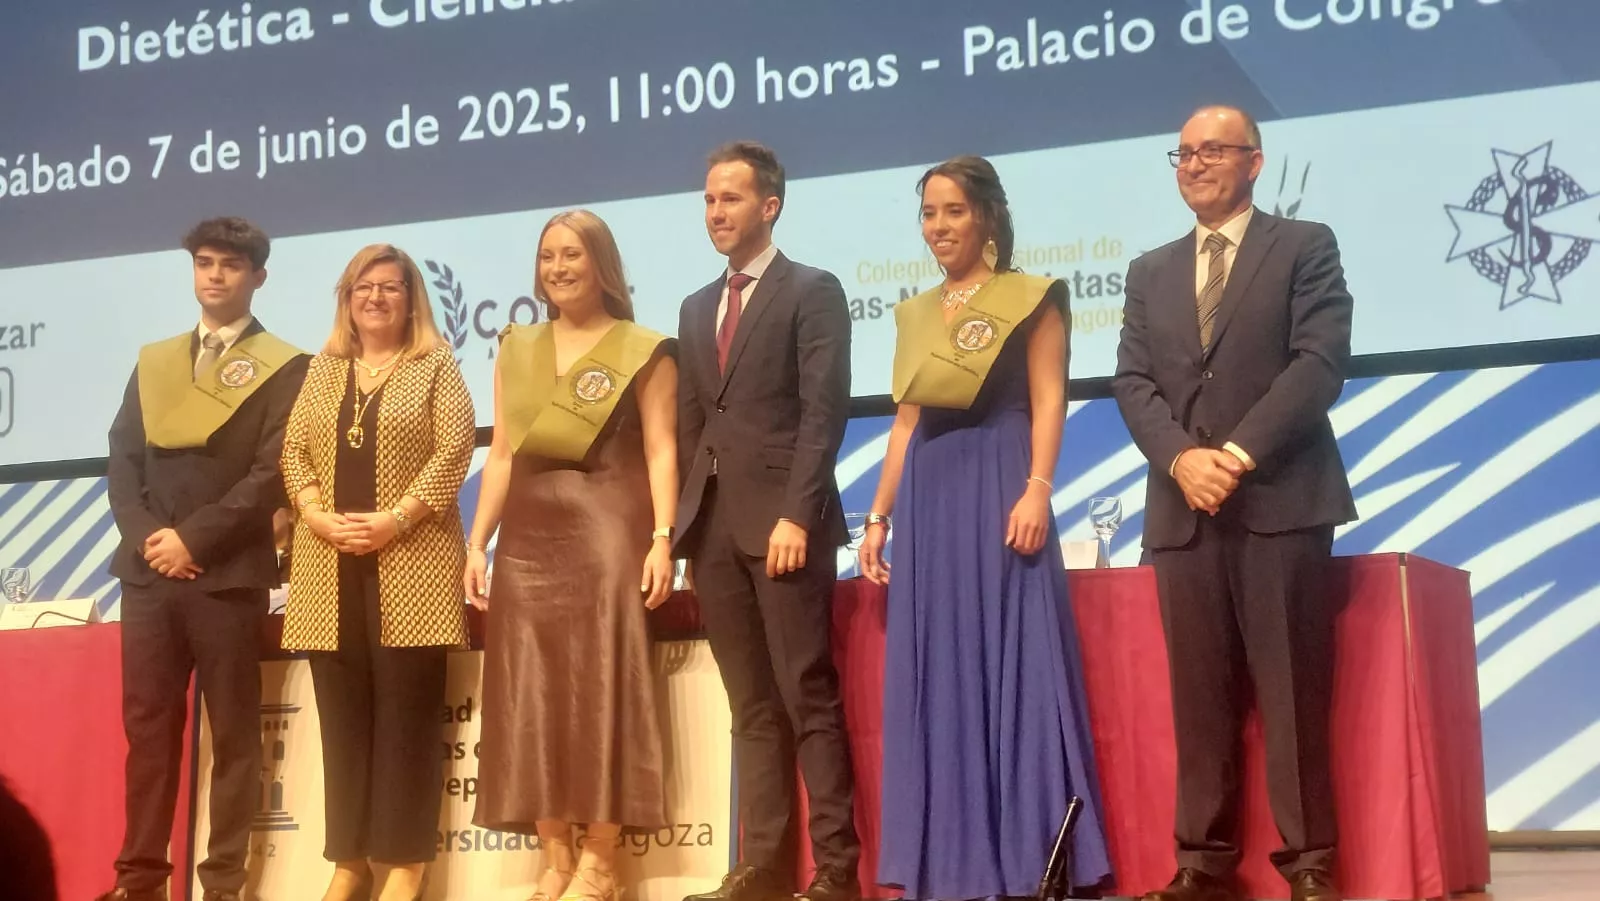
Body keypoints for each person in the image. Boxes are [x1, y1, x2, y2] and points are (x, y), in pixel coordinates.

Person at [1111, 106, 1356, 901]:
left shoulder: (1304, 245)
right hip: (1183, 507)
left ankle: (1311, 861)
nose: (1194, 163)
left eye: (1212, 150)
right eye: (1181, 152)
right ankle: (1202, 864)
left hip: (1280, 498)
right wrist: (1183, 458)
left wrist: (1237, 455)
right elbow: (1133, 382)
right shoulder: (1150, 270)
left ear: (1255, 161)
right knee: (1200, 697)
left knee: (1290, 691)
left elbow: (1318, 365)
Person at [856, 155, 1112, 900]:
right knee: (942, 669)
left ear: (988, 217)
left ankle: (1030, 851)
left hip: (1002, 479)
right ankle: (951, 857)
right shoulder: (914, 314)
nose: (939, 227)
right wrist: (877, 515)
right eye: (929, 214)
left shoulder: (1030, 299)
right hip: (931, 497)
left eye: (954, 211)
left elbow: (1049, 397)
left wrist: (1038, 488)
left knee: (1015, 663)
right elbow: (906, 422)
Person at [465, 210, 677, 901]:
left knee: (604, 686)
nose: (558, 267)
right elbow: (500, 453)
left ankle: (603, 857)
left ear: (603, 266)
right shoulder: (516, 345)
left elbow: (660, 449)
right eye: (549, 255)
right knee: (531, 688)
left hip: (608, 524)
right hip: (528, 534)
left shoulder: (643, 347)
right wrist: (477, 539)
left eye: (573, 255)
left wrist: (661, 536)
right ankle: (555, 856)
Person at [99, 216, 310, 901]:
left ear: (258, 277)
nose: (215, 274)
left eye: (230, 265)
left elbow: (270, 472)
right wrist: (149, 539)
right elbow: (124, 460)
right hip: (149, 576)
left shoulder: (287, 364)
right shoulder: (155, 360)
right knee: (148, 734)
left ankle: (222, 884)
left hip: (228, 575)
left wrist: (194, 539)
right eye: (205, 263)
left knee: (236, 737)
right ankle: (139, 881)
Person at [673, 141, 860, 901]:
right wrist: (685, 529)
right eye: (710, 200)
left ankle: (836, 870)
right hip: (714, 532)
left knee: (805, 694)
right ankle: (765, 867)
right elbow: (692, 427)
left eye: (732, 199)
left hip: (785, 527)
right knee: (749, 705)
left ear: (769, 206)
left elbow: (824, 411)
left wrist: (798, 513)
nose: (717, 212)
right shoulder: (693, 307)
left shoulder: (812, 290)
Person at [279, 243, 477, 901]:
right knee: (343, 719)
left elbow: (454, 450)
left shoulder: (434, 364)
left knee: (407, 720)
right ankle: (350, 859)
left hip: (410, 562)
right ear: (347, 298)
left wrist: (397, 517)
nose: (375, 297)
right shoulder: (324, 369)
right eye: (363, 286)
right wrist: (313, 510)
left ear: (410, 297)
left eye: (390, 287)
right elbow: (294, 450)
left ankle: (404, 862)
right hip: (326, 564)